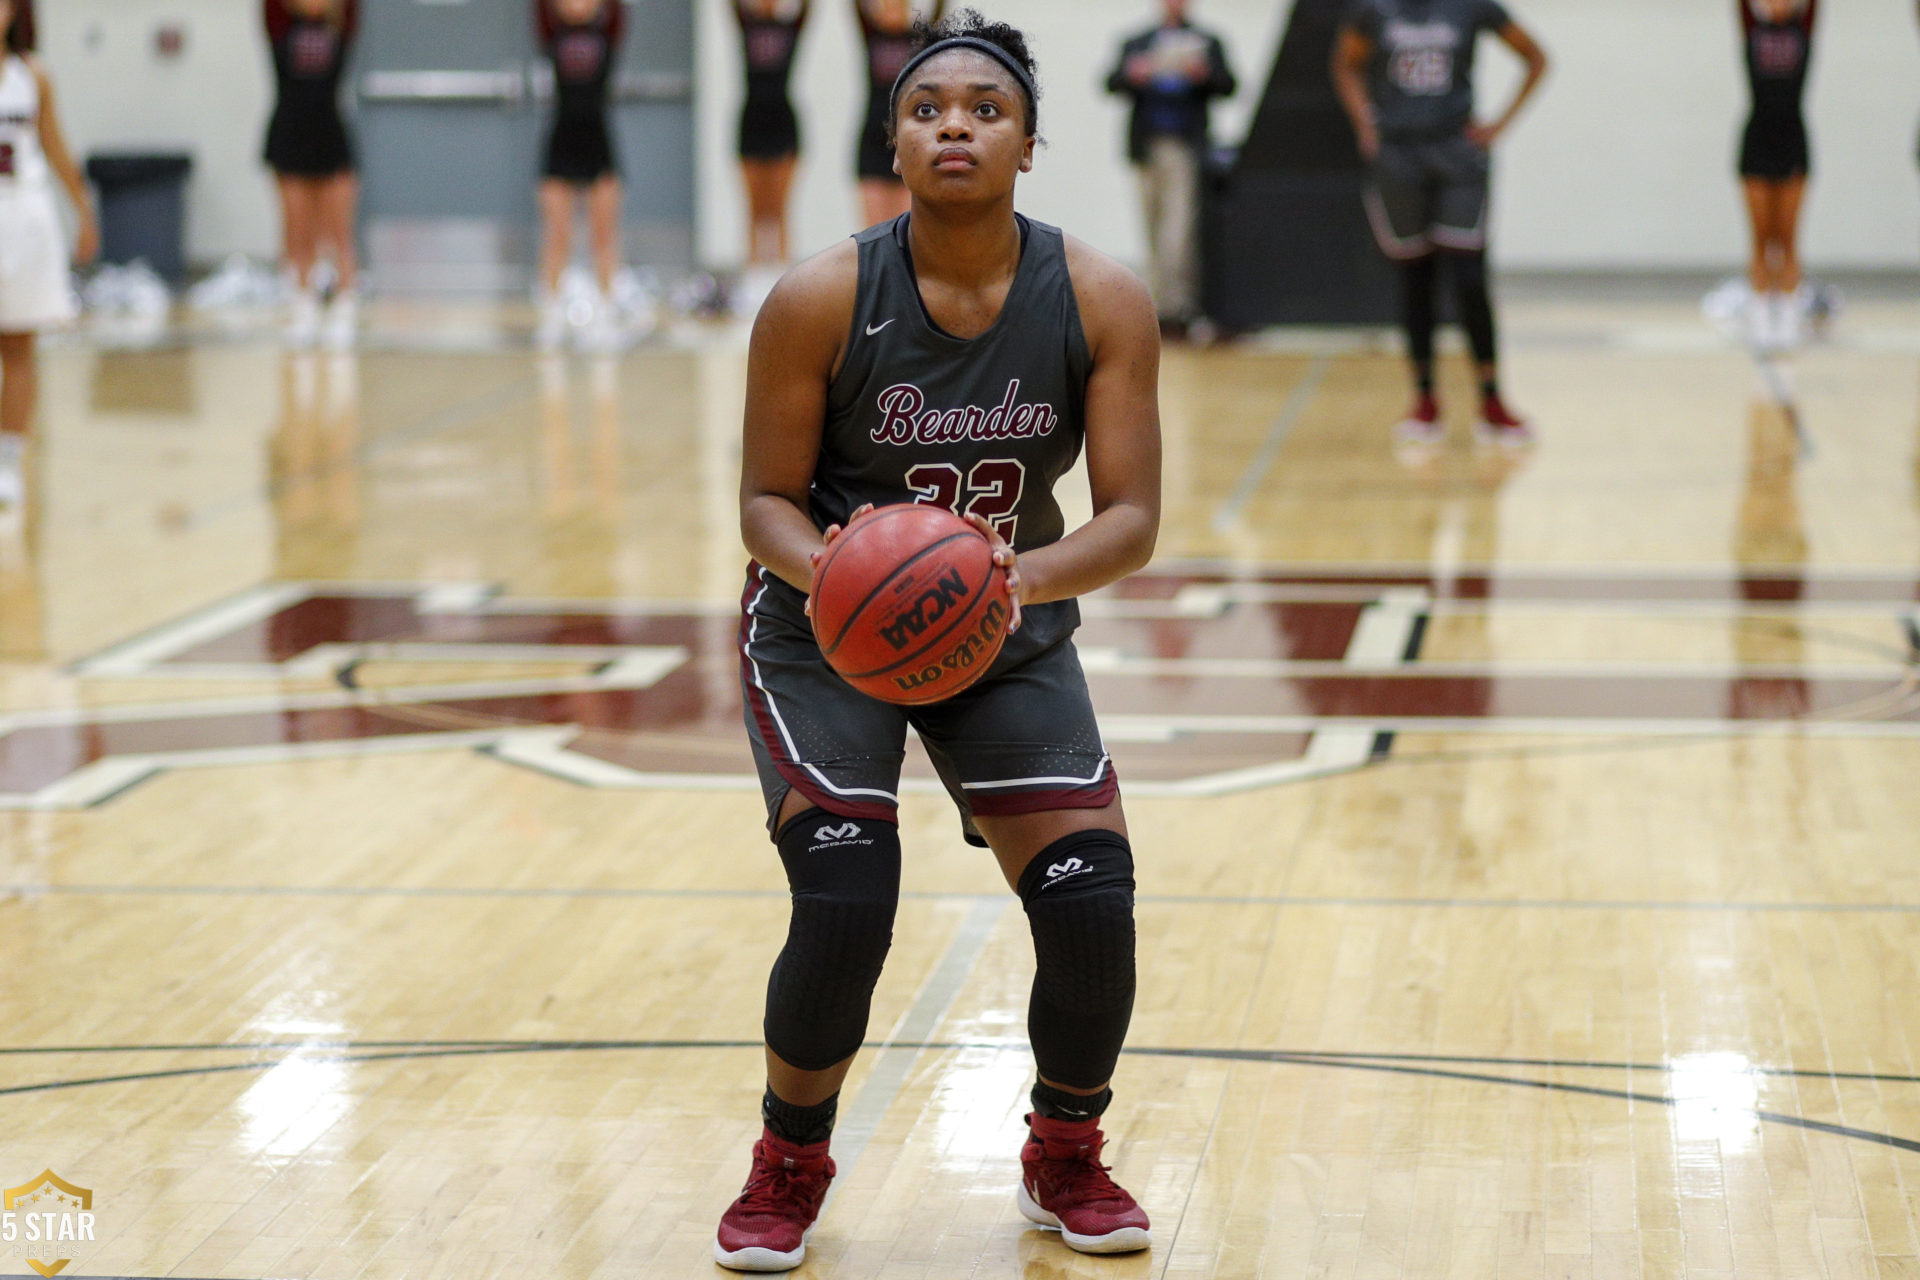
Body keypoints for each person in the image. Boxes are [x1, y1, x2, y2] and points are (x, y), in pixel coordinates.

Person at [718, 9, 1163, 1270]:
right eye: (926, 110)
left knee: (1093, 902)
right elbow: (762, 502)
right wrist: (845, 573)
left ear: (1029, 143)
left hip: (1007, 623)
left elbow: (1130, 519)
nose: (954, 124)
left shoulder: (1098, 295)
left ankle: (1064, 1152)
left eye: (984, 109)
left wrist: (1008, 581)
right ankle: (787, 1160)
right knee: (847, 896)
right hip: (819, 630)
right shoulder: (818, 296)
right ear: (894, 142)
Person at [1333, 0, 1547, 445]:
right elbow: (1345, 65)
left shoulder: (1471, 6)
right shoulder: (1374, 9)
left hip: (1457, 154)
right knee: (1416, 276)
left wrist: (1499, 126)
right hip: (1398, 156)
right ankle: (1425, 400)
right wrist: (1364, 123)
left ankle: (1491, 400)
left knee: (1470, 277)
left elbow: (1535, 57)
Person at [0, 0, 97, 510]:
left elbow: (56, 146)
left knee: (19, 346)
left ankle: (9, 462)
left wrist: (83, 209)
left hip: (23, 217)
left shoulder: (33, 77)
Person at [1104, 0, 1237, 339]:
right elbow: (1110, 81)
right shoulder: (1138, 41)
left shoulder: (1207, 41)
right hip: (1146, 146)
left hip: (1184, 147)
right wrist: (1134, 74)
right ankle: (1157, 304)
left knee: (1179, 230)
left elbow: (1228, 85)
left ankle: (1176, 308)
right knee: (1152, 225)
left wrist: (1202, 74)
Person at [263, 0, 359, 349]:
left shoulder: (340, 27)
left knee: (338, 232)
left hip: (330, 134)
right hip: (290, 134)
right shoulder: (280, 27)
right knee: (297, 230)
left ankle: (345, 308)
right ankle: (301, 306)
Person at [535, 0, 625, 350]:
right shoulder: (551, 31)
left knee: (603, 237)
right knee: (557, 236)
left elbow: (619, 12)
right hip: (561, 140)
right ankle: (551, 314)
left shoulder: (608, 30)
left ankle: (606, 312)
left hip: (599, 140)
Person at [1737, 0, 1817, 351]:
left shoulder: (1805, 28)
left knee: (1787, 237)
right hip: (1757, 139)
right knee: (1760, 237)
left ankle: (1786, 316)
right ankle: (1759, 316)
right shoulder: (1752, 28)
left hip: (1793, 139)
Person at [735, 0, 809, 288]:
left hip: (783, 122)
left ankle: (782, 282)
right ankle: (753, 281)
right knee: (754, 209)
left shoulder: (790, 27)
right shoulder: (746, 24)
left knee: (780, 209)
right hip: (751, 121)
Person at [852, 0, 942, 229]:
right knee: (872, 226)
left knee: (906, 226)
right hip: (873, 137)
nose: (890, 11)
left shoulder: (918, 39)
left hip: (906, 139)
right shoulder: (872, 35)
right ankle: (873, 266)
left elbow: (940, 11)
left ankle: (904, 266)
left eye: (896, 6)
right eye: (886, 6)